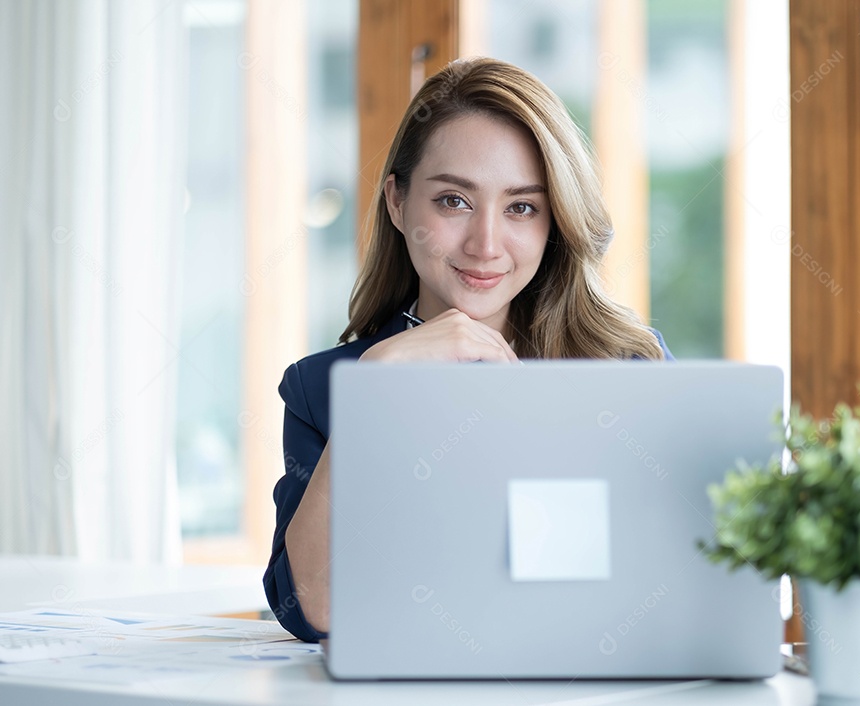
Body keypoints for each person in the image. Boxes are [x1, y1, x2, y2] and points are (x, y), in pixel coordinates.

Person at [264, 57, 674, 643]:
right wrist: (371, 397)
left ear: (555, 221)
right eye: (454, 200)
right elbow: (315, 608)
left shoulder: (629, 366)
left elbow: (682, 575)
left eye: (521, 207)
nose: (485, 244)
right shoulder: (322, 389)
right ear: (398, 203)